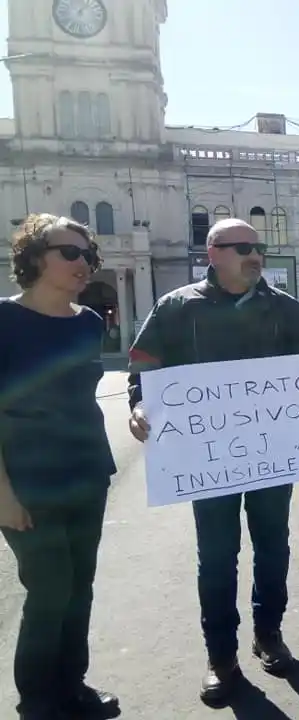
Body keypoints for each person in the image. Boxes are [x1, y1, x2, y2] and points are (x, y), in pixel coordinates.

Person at [126, 218, 299, 704]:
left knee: (273, 548)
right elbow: (143, 366)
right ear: (213, 253)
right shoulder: (176, 308)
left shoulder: (284, 309)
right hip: (208, 464)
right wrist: (139, 406)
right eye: (243, 247)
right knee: (217, 557)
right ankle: (221, 657)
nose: (256, 255)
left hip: (274, 461)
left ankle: (268, 634)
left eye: (259, 247)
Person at [0, 214, 119, 720]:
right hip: (26, 478)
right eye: (68, 253)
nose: (82, 264)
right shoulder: (4, 321)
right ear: (33, 258)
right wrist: (2, 491)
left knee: (80, 584)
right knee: (49, 587)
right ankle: (38, 699)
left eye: (87, 255)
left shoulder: (89, 323)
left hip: (86, 470)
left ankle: (73, 684)